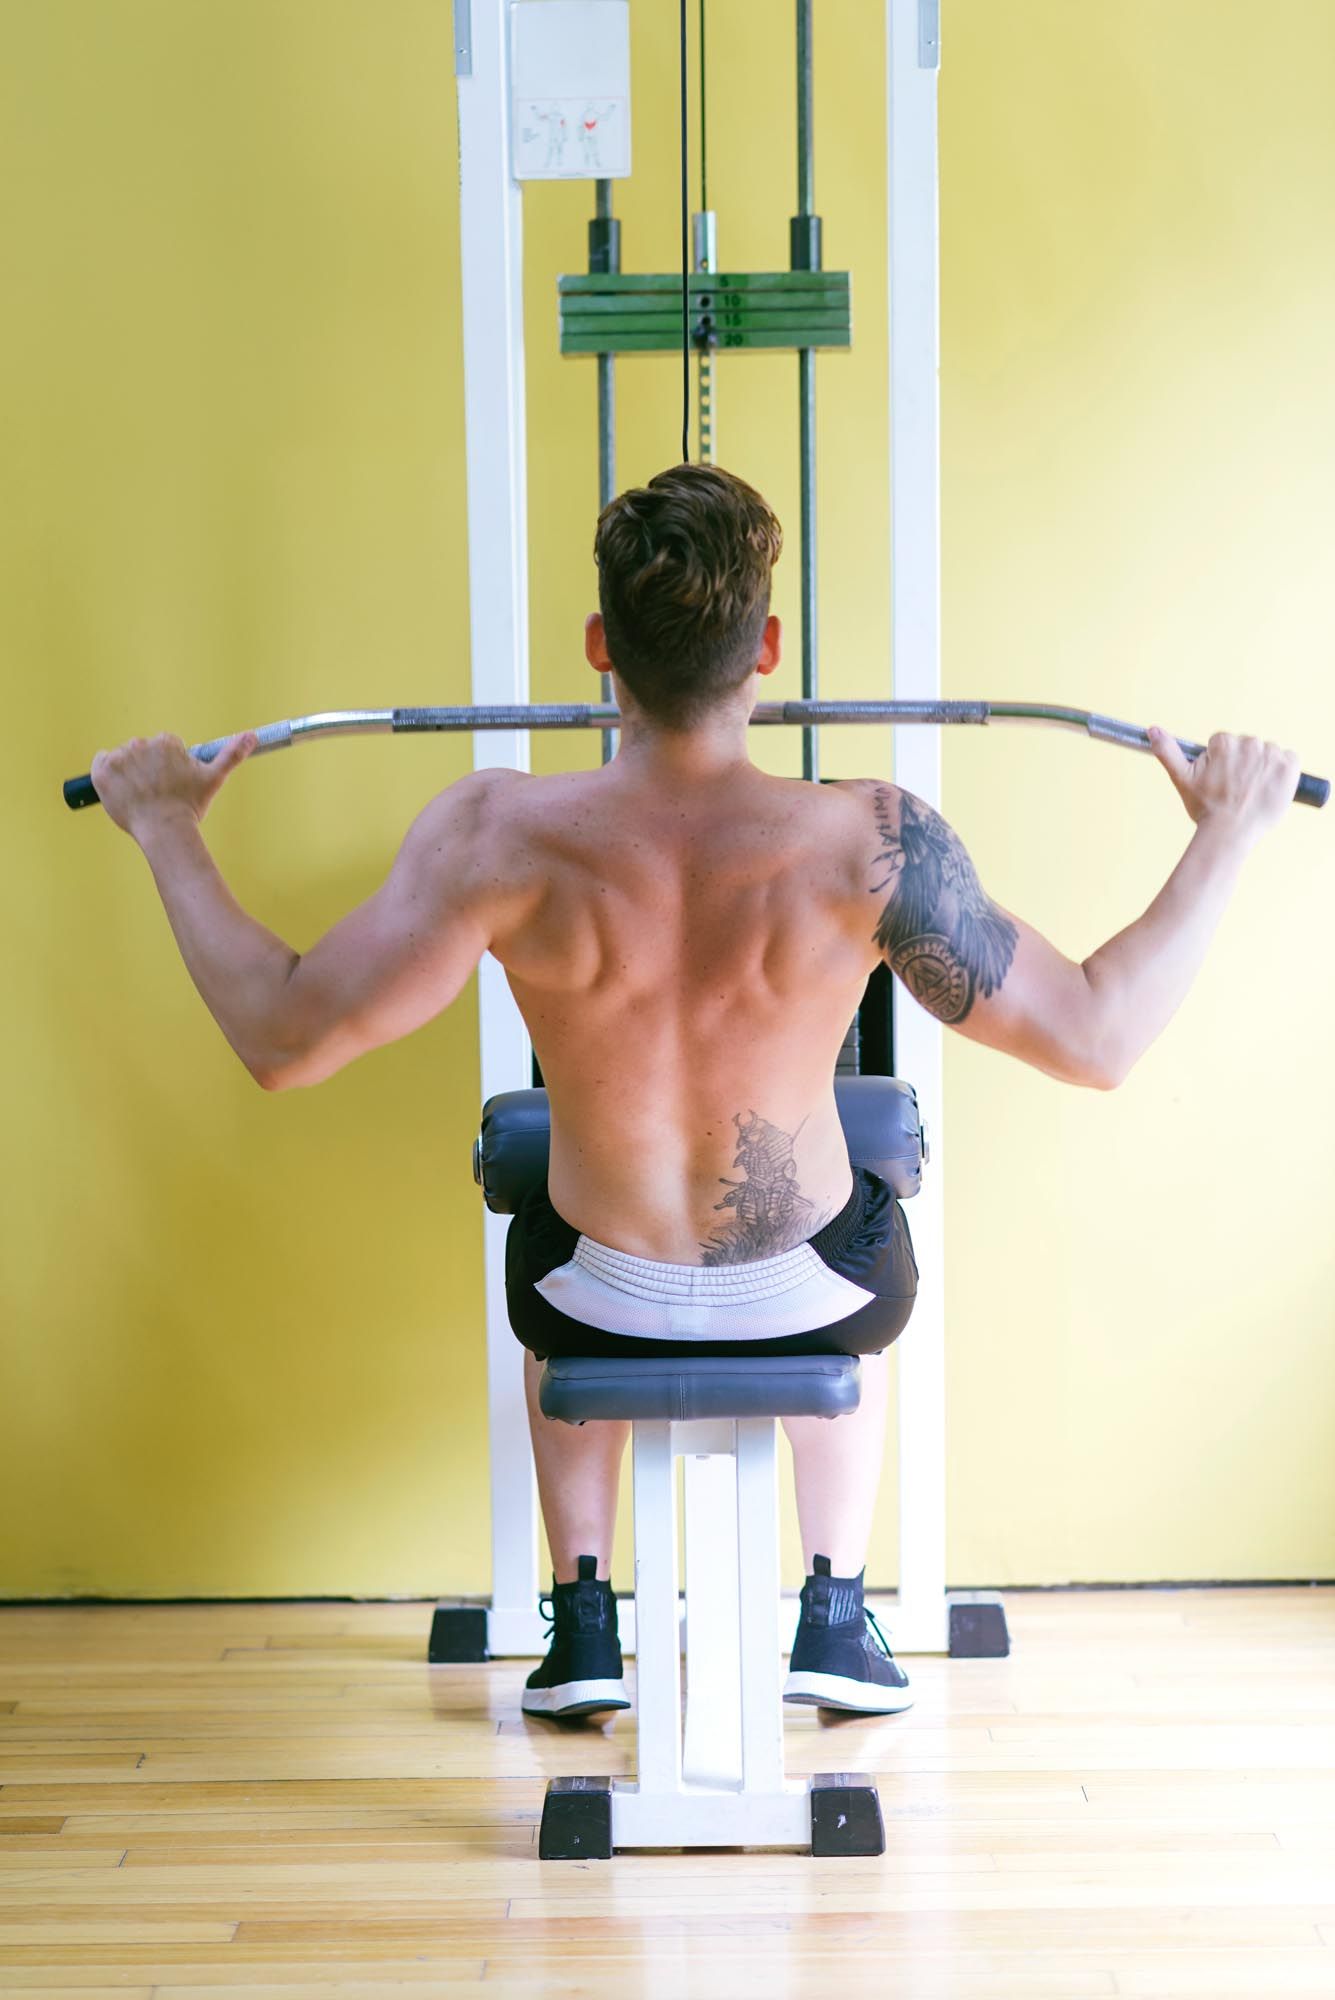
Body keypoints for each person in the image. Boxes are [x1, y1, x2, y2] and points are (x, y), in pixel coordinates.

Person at [90, 463, 1302, 1719]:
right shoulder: (867, 842)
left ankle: (584, 1622)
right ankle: (833, 1605)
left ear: (600, 647)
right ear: (767, 646)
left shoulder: (493, 838)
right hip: (813, 1288)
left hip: (592, 1288)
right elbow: (1098, 1033)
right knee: (874, 1169)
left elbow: (283, 1033)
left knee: (538, 1203)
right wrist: (1227, 831)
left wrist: (167, 827)